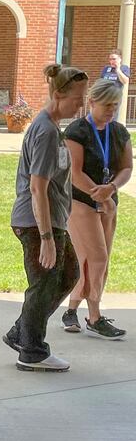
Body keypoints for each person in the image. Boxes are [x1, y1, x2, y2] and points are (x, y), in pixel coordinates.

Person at [3, 64, 88, 372]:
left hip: (51, 221)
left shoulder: (52, 127)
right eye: (77, 98)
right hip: (38, 222)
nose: (82, 104)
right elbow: (37, 186)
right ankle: (32, 351)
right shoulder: (46, 131)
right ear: (57, 95)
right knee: (44, 282)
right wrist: (47, 239)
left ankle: (21, 332)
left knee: (68, 274)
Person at [63, 79, 133, 338]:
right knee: (96, 257)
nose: (111, 111)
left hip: (108, 203)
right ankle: (95, 316)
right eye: (106, 105)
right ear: (91, 102)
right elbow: (74, 171)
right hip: (81, 200)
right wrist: (98, 192)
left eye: (115, 106)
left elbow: (126, 167)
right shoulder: (77, 131)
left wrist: (111, 189)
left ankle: (71, 310)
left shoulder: (119, 131)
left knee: (97, 261)